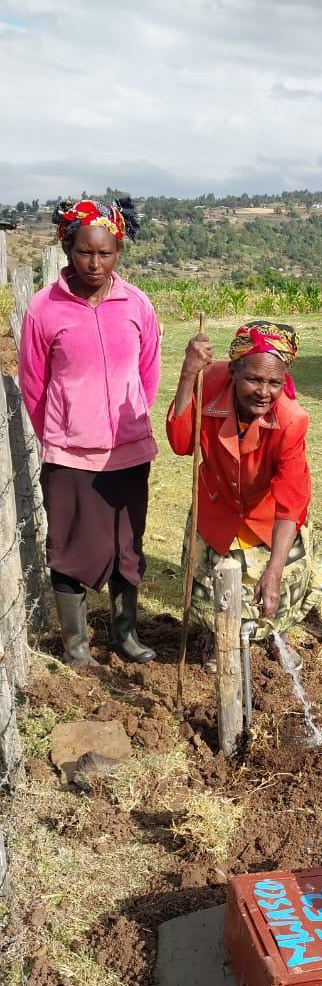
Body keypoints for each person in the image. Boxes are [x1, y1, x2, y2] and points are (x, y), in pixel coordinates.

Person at [19, 197, 161, 667]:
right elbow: (35, 386)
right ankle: (77, 648)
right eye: (85, 251)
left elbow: (147, 374)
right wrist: (63, 431)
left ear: (118, 252)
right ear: (68, 248)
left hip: (128, 452)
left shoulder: (136, 304)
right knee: (69, 547)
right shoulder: (44, 309)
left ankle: (126, 635)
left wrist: (129, 423)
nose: (95, 263)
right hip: (69, 454)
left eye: (105, 253)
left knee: (127, 546)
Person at [166, 320, 322, 670]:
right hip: (218, 505)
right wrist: (187, 375)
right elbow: (181, 443)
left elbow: (290, 503)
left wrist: (274, 570)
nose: (264, 392)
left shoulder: (291, 420)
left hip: (269, 516)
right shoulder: (207, 384)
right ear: (233, 371)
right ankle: (216, 637)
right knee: (213, 587)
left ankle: (276, 635)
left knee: (275, 588)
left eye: (274, 382)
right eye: (253, 379)